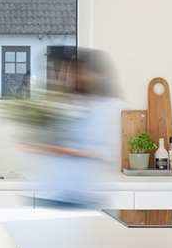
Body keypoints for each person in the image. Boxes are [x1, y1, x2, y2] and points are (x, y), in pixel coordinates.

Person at [23, 49, 121, 209]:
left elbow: (105, 152)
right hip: (58, 191)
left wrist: (61, 150)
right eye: (79, 72)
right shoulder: (72, 103)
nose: (82, 76)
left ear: (101, 75)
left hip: (86, 193)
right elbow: (57, 137)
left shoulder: (109, 107)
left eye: (87, 72)